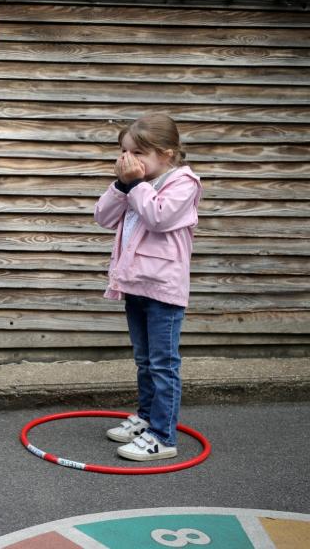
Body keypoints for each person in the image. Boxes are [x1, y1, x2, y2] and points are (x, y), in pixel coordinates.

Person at [94, 114, 202, 462]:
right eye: (125, 152)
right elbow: (103, 217)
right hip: (135, 284)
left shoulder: (184, 184)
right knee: (144, 360)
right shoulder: (135, 183)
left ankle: (163, 435)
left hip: (164, 288)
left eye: (138, 153)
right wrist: (123, 186)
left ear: (166, 153)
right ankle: (146, 417)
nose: (129, 160)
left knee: (163, 363)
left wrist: (137, 185)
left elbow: (158, 218)